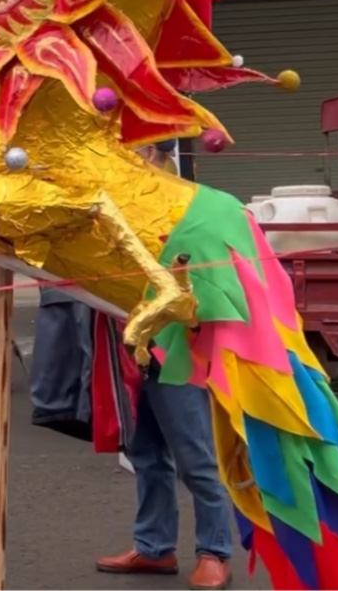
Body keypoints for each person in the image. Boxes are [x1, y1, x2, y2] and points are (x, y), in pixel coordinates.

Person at [97, 139, 233, 591]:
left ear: (154, 157)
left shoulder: (188, 211)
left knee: (195, 457)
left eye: (131, 153)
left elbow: (209, 284)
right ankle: (155, 548)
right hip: (133, 348)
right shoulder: (120, 206)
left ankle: (215, 551)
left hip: (177, 350)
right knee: (146, 454)